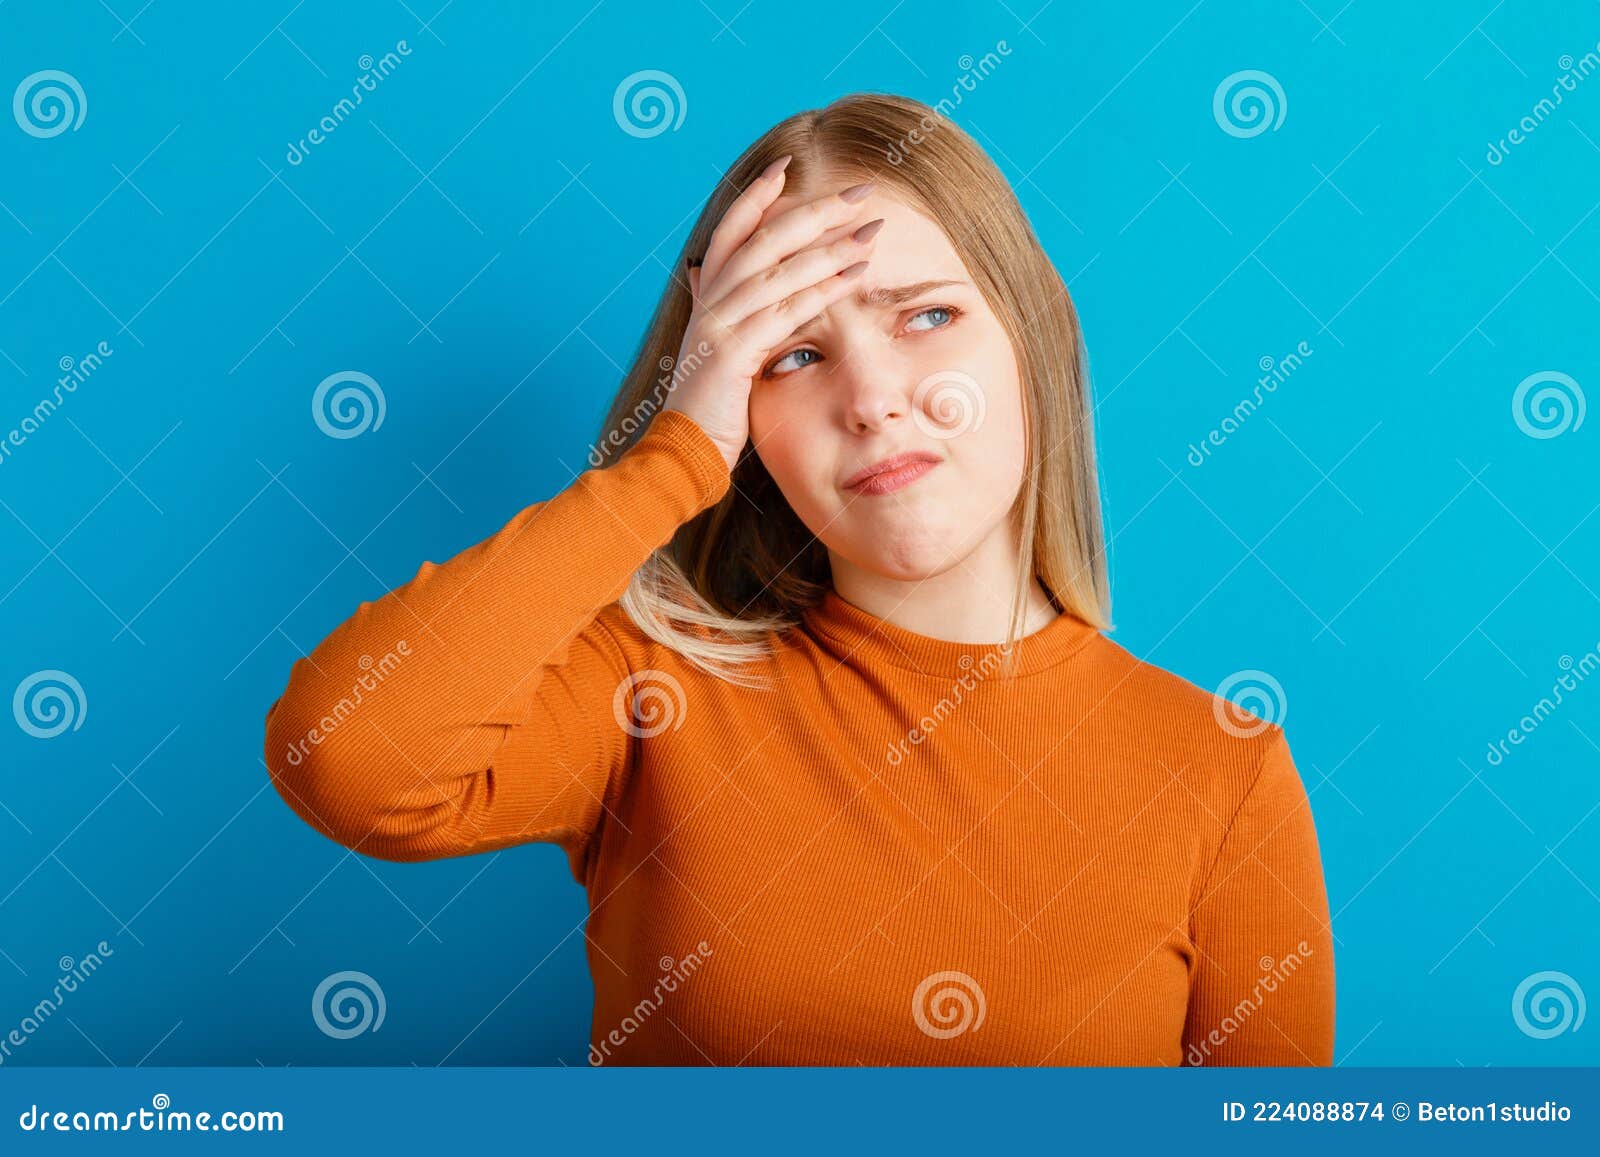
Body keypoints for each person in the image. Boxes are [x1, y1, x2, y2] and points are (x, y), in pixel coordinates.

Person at [264, 92, 1335, 1066]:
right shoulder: (651, 696)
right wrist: (672, 452)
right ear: (743, 419)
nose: (870, 397)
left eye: (926, 315)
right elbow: (348, 757)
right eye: (789, 353)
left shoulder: (1219, 771)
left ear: (1034, 332)